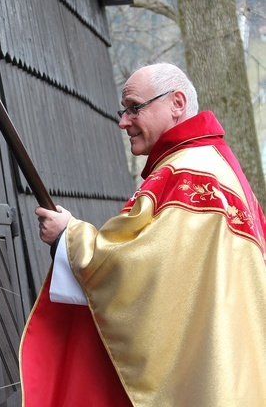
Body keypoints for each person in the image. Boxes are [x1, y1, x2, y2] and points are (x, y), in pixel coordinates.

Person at [20, 63, 266, 407]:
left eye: (134, 108)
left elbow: (144, 271)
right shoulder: (220, 168)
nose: (123, 122)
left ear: (177, 103)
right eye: (124, 111)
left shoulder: (187, 173)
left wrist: (69, 236)